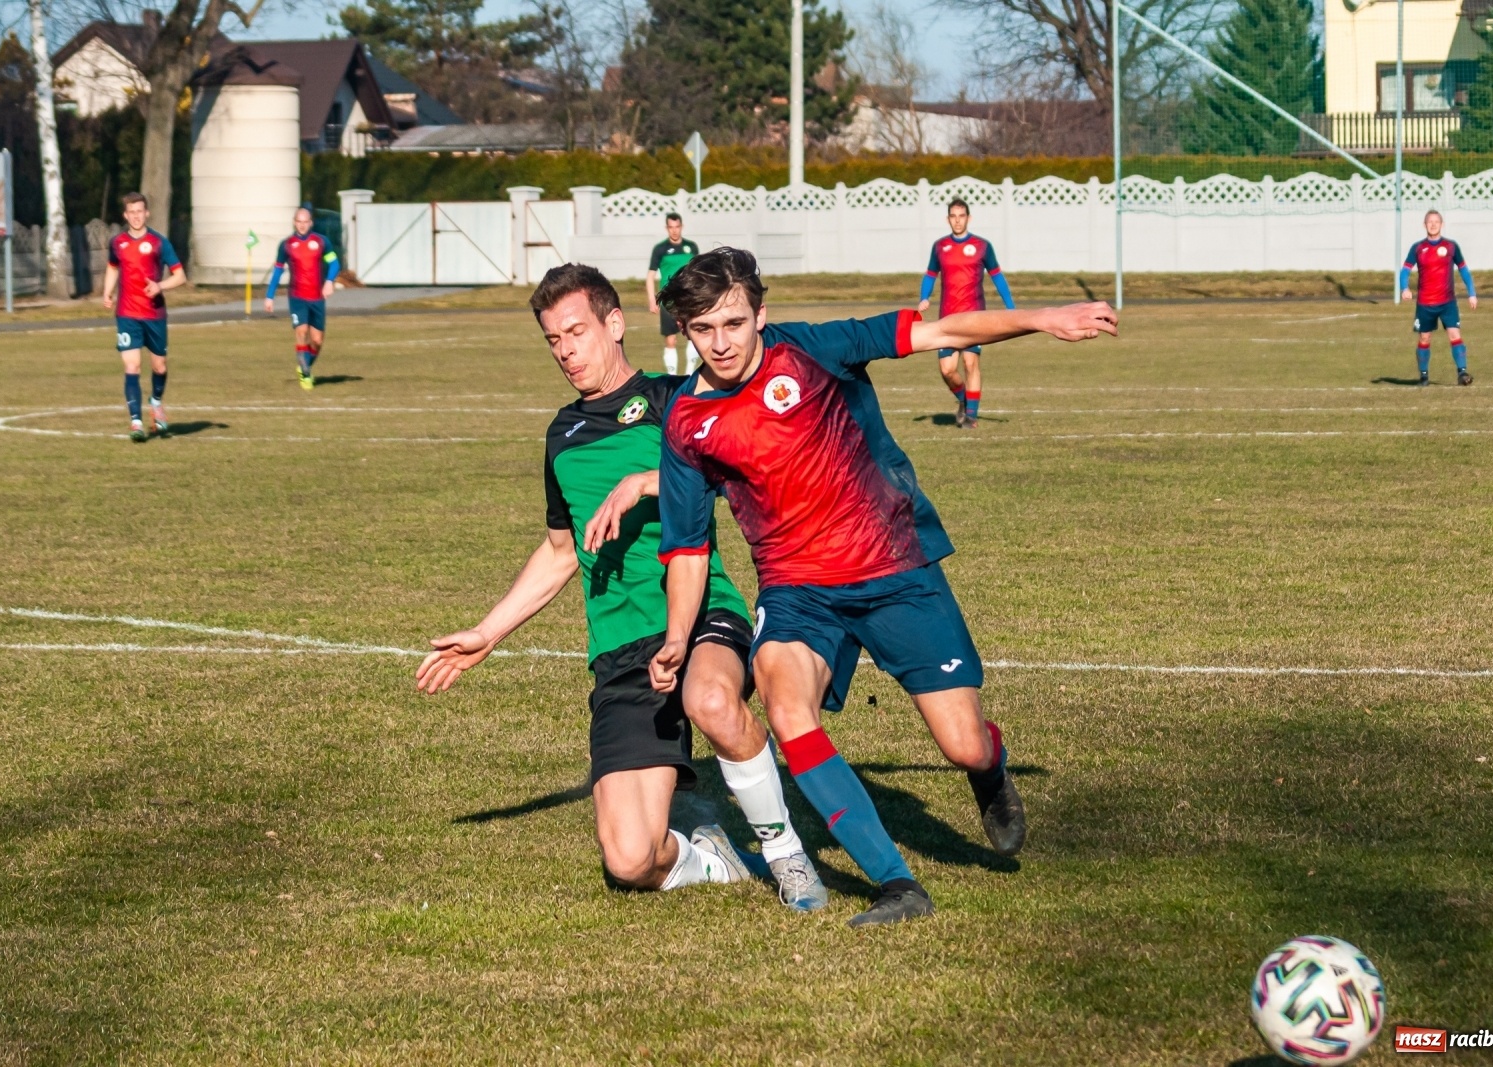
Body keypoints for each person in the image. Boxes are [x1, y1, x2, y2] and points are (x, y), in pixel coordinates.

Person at [647, 248, 1115, 926]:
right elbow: (688, 548)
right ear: (686, 331)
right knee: (785, 704)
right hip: (798, 589)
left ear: (760, 313)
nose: (720, 343)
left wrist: (1043, 318)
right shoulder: (689, 421)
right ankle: (897, 884)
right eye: (703, 329)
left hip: (894, 565)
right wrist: (675, 637)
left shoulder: (815, 349)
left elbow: (941, 332)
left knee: (961, 743)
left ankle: (990, 765)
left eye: (733, 322)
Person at [416, 262, 827, 911]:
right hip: (620, 650)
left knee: (714, 701)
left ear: (614, 323)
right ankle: (715, 860)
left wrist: (644, 481)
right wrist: (487, 633)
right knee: (630, 859)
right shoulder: (563, 436)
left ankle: (786, 854)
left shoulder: (675, 400)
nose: (566, 350)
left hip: (697, 616)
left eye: (576, 331)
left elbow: (743, 463)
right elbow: (560, 552)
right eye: (554, 339)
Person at [918, 198, 1015, 428]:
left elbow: (997, 275)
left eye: (962, 216)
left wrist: (1011, 307)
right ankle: (964, 399)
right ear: (948, 219)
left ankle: (970, 416)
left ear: (968, 218)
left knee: (971, 364)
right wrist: (924, 297)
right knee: (947, 370)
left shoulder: (982, 246)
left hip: (974, 317)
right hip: (948, 318)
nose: (957, 220)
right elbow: (931, 274)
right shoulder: (939, 247)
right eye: (953, 216)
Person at [102, 192, 186, 441]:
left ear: (146, 213)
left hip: (154, 314)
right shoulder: (117, 243)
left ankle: (156, 402)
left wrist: (160, 286)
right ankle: (136, 422)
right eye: (131, 212)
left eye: (140, 211)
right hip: (127, 314)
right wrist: (107, 292)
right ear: (125, 215)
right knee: (132, 366)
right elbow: (112, 267)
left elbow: (180, 275)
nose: (136, 216)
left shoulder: (159, 242)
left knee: (159, 366)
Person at [264, 206, 340, 390]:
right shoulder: (286, 245)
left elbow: (334, 263)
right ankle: (305, 374)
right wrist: (269, 296)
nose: (302, 225)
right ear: (294, 222)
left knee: (317, 341)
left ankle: (304, 364)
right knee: (301, 331)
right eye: (299, 222)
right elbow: (278, 270)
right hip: (297, 296)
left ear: (311, 223)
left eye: (306, 222)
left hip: (317, 297)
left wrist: (329, 281)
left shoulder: (322, 242)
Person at [1400, 209, 1476, 386]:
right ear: (1424, 225)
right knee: (1424, 338)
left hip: (1447, 302)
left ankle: (1462, 372)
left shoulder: (1451, 246)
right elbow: (1404, 271)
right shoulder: (1418, 248)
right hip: (1425, 303)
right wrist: (1405, 288)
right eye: (1429, 221)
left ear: (1442, 224)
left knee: (1454, 334)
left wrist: (1471, 293)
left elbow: (1464, 270)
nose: (1433, 224)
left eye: (1436, 221)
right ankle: (1424, 376)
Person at [647, 213, 699, 375]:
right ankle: (672, 377)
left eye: (677, 227)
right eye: (671, 227)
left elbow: (698, 272)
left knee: (694, 334)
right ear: (667, 228)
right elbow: (650, 276)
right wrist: (652, 299)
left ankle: (689, 373)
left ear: (681, 227)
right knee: (671, 339)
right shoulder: (660, 249)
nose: (674, 231)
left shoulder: (691, 247)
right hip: (668, 300)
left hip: (688, 298)